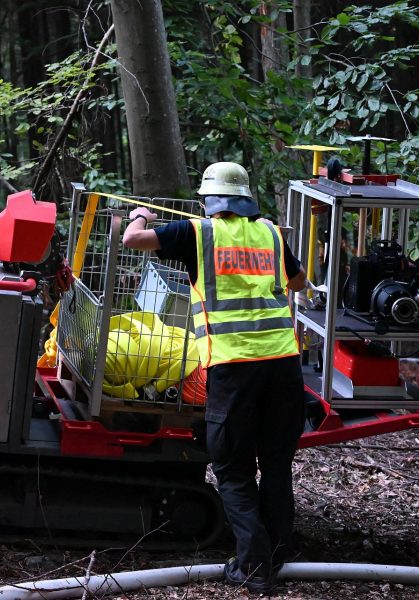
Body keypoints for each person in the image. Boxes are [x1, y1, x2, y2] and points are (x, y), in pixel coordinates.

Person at [123, 162, 306, 595]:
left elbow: (133, 239)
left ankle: (255, 567)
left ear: (208, 200)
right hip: (283, 366)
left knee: (233, 470)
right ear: (244, 199)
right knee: (277, 467)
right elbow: (299, 282)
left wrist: (139, 214)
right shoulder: (271, 234)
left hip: (233, 369)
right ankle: (279, 552)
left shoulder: (197, 233)